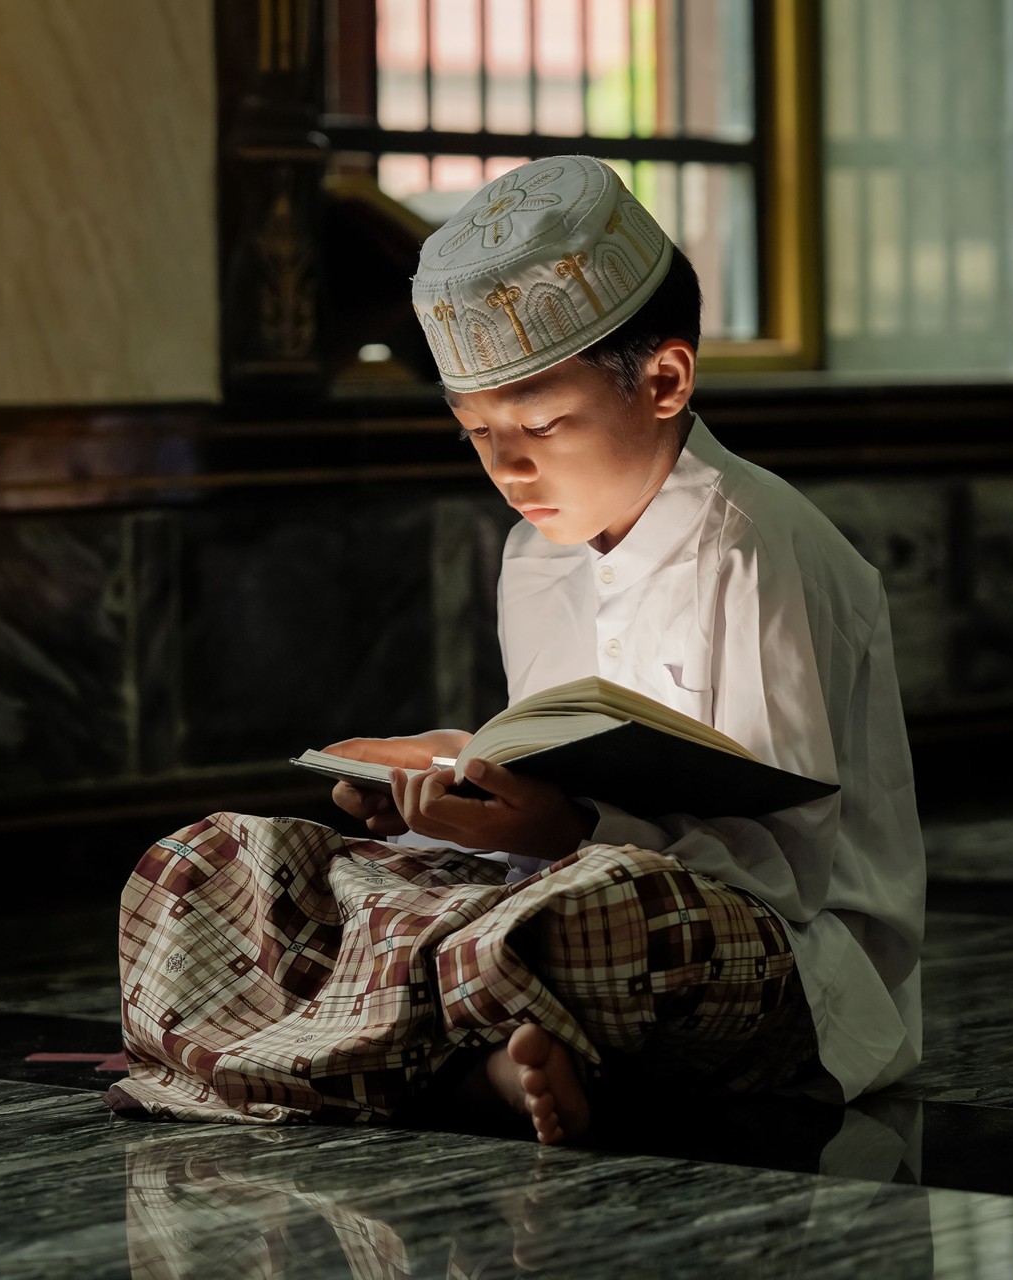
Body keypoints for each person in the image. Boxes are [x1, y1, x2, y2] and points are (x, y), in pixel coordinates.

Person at [108, 156, 924, 1145]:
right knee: (211, 866)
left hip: (778, 957)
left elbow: (784, 870)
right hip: (529, 893)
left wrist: (560, 831)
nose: (509, 466)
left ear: (663, 381)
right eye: (476, 433)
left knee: (588, 915)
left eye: (538, 423)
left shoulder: (751, 548)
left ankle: (415, 1066)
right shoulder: (535, 551)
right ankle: (485, 1059)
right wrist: (452, 785)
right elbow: (562, 750)